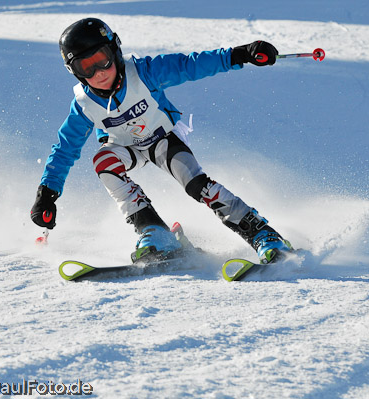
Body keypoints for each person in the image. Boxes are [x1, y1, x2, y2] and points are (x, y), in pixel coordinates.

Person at [31, 17, 292, 263]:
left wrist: (240, 54)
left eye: (102, 60)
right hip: (125, 147)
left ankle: (262, 234)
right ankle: (155, 231)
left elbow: (189, 65)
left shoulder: (144, 72)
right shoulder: (84, 105)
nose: (99, 72)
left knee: (196, 185)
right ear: (74, 72)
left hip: (162, 138)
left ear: (115, 51)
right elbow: (65, 148)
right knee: (104, 161)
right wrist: (47, 193)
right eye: (86, 67)